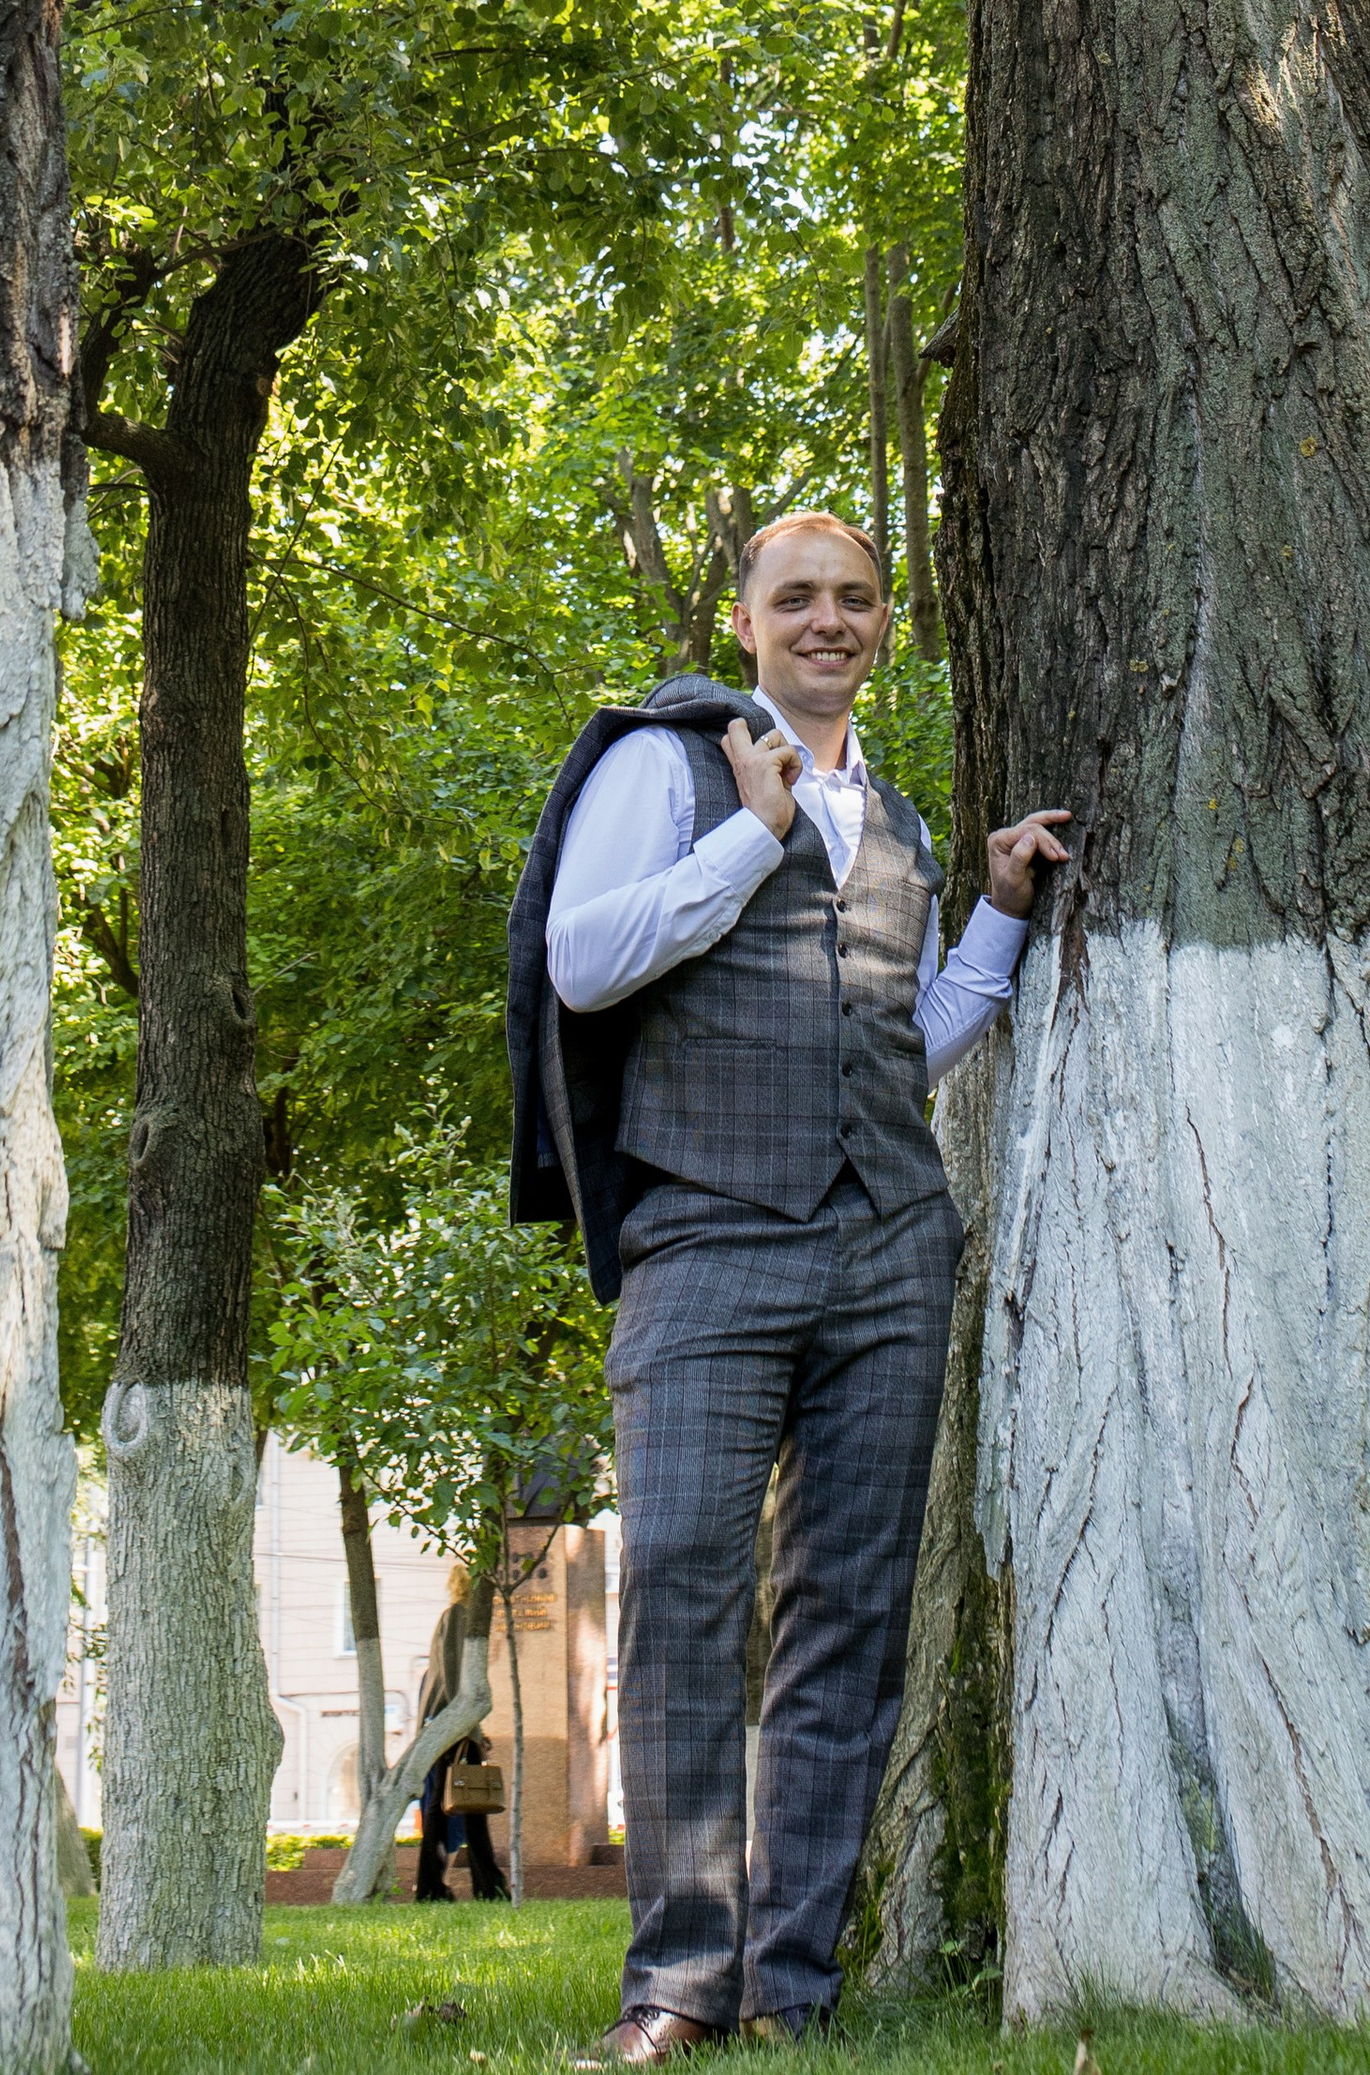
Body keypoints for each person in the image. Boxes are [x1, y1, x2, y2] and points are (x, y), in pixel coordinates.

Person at [505, 516, 1068, 2055]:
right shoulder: (666, 761)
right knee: (683, 1589)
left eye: (858, 599)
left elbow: (905, 1037)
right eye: (798, 599)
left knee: (849, 1614)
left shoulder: (895, 816)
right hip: (705, 1240)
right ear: (747, 621)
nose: (830, 622)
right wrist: (747, 837)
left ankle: (790, 1991)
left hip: (891, 1243)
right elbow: (583, 958)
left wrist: (1003, 916)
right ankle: (678, 1984)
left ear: (885, 623)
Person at [412, 1588, 509, 1902]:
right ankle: (476, 1885)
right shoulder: (458, 1614)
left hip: (451, 1725)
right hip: (452, 1725)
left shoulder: (457, 1615)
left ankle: (443, 1885)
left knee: (458, 1805)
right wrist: (468, 1727)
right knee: (460, 1805)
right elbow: (455, 1677)